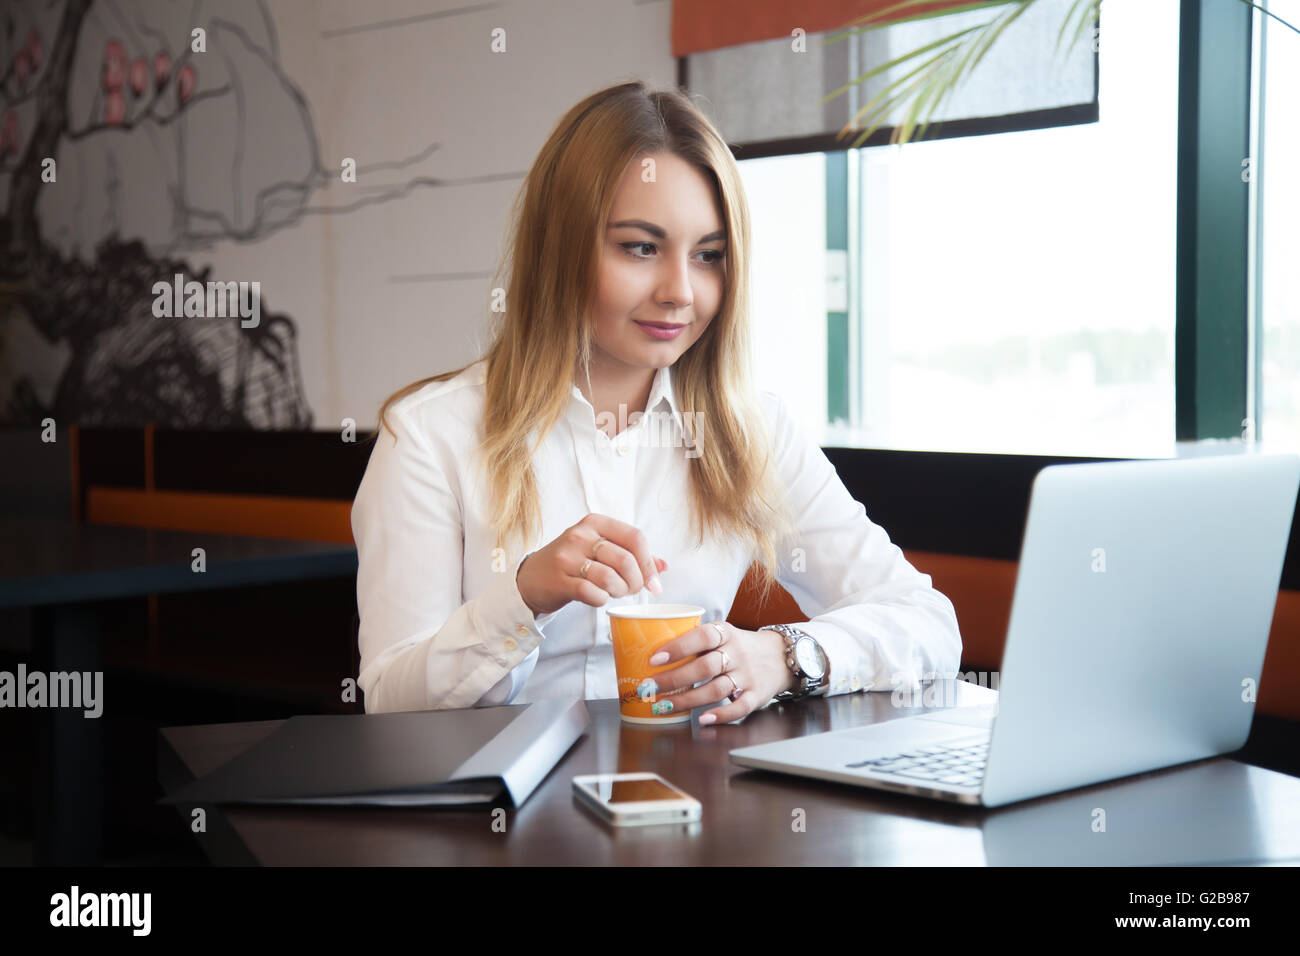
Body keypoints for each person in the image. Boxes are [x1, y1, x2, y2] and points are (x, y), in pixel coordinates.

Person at [351, 80, 962, 723]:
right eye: (640, 248)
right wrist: (521, 596)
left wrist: (784, 655)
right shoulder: (428, 435)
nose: (681, 292)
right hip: (497, 815)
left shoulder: (752, 432)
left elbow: (927, 624)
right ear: (560, 251)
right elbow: (390, 702)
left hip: (696, 803)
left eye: (708, 256)